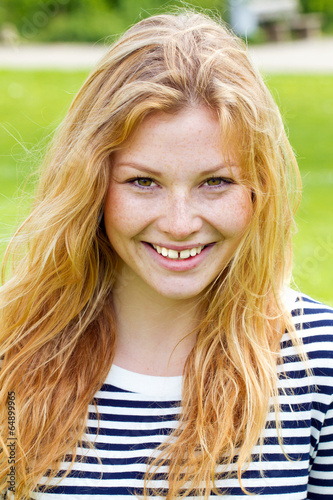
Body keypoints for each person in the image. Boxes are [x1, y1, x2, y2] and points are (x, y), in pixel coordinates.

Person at [0, 9, 332, 500]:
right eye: (143, 182)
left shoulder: (318, 363)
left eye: (215, 182)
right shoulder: (13, 351)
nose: (180, 224)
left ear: (258, 187)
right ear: (90, 185)